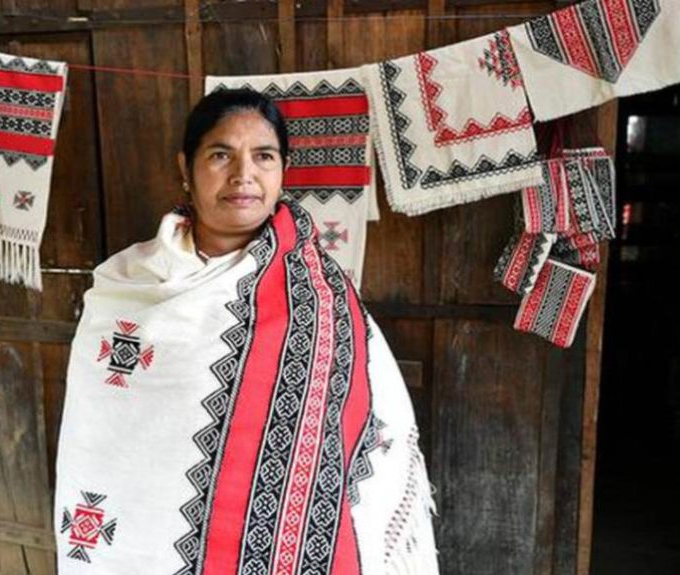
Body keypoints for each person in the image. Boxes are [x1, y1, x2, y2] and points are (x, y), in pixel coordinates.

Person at [54, 89, 440, 574]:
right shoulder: (125, 286)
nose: (244, 175)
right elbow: (101, 434)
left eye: (263, 156)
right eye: (220, 155)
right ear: (185, 167)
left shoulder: (321, 299)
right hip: (140, 534)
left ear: (282, 171)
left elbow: (371, 429)